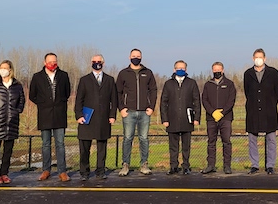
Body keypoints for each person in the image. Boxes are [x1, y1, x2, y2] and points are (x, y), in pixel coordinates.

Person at [29, 52, 71, 182]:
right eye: (50, 61)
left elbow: (67, 92)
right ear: (44, 62)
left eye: (55, 61)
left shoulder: (63, 75)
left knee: (60, 144)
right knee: (46, 144)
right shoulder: (37, 77)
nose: (52, 63)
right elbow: (32, 95)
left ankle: (62, 171)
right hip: (44, 114)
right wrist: (43, 104)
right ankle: (46, 170)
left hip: (59, 114)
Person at [74, 54, 117, 180]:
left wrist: (112, 115)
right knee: (84, 148)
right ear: (90, 63)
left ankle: (100, 171)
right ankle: (84, 172)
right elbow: (78, 100)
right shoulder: (84, 80)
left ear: (103, 63)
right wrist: (79, 115)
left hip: (103, 119)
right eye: (94, 61)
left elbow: (114, 100)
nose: (97, 63)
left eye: (99, 61)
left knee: (102, 148)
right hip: (87, 119)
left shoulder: (109, 80)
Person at [116, 48, 157, 176]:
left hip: (145, 112)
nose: (136, 57)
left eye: (138, 56)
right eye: (134, 55)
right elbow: (118, 92)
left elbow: (153, 90)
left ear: (141, 57)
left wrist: (151, 107)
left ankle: (144, 164)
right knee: (127, 138)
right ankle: (125, 164)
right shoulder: (124, 73)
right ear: (129, 57)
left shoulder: (148, 72)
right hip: (129, 112)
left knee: (144, 139)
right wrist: (121, 108)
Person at [244, 48, 278, 174]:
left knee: (271, 139)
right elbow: (247, 92)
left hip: (269, 111)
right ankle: (255, 165)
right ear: (253, 58)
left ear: (265, 58)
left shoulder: (273, 73)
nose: (258, 59)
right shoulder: (247, 74)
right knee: (252, 140)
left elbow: (277, 92)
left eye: (260, 57)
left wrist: (270, 104)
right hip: (253, 111)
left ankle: (270, 165)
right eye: (256, 57)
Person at [160, 60, 201, 175]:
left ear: (186, 70)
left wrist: (196, 118)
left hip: (187, 119)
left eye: (183, 68)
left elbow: (197, 101)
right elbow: (163, 102)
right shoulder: (168, 83)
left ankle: (186, 166)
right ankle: (173, 166)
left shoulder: (191, 83)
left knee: (186, 146)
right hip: (172, 119)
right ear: (174, 69)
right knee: (173, 146)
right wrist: (164, 119)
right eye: (178, 68)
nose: (180, 70)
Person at [200, 62, 237, 174]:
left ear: (223, 70)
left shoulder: (229, 84)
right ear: (212, 71)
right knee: (211, 142)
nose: (217, 72)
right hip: (211, 118)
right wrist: (212, 112)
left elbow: (231, 100)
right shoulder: (208, 84)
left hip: (226, 118)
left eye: (219, 70)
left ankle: (227, 166)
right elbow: (204, 100)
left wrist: (222, 112)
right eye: (215, 70)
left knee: (226, 142)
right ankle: (211, 165)